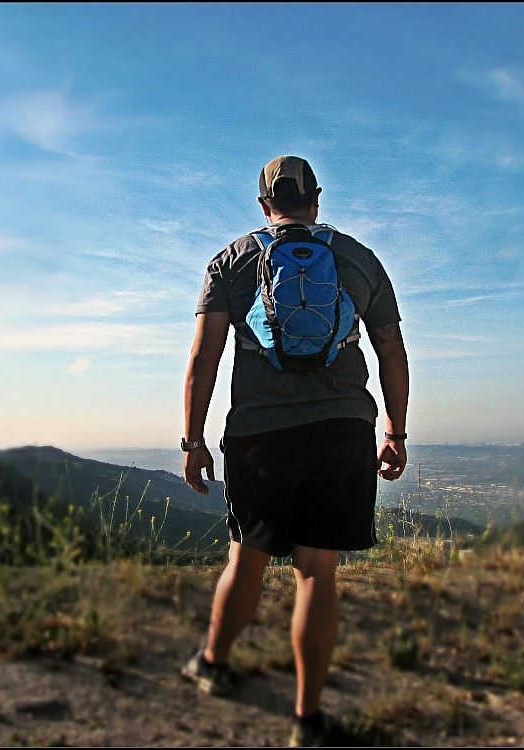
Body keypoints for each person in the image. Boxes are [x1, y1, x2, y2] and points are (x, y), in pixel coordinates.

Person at [180, 155, 409, 747]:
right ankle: (307, 719)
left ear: (264, 204)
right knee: (316, 575)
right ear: (317, 200)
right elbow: (391, 348)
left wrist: (194, 440)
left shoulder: (232, 261)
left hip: (261, 433)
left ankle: (212, 663)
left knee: (246, 559)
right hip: (342, 428)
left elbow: (205, 355)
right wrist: (394, 432)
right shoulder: (358, 259)